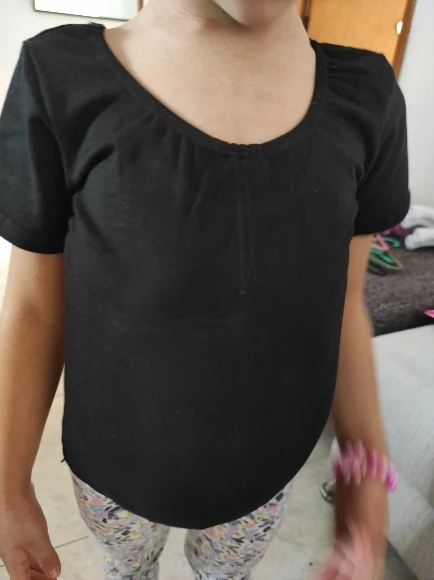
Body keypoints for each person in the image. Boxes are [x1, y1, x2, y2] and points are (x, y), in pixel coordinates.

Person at [0, 0, 410, 579]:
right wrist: (7, 488)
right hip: (112, 471)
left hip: (265, 477)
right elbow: (34, 309)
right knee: (127, 568)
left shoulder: (369, 96)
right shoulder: (59, 77)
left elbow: (344, 303)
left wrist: (365, 467)